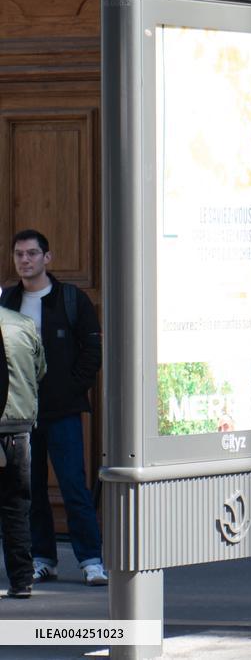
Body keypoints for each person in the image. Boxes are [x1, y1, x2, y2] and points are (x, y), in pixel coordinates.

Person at [0, 230, 107, 586]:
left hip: (62, 412)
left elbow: (92, 352)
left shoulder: (71, 299)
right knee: (29, 490)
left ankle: (91, 560)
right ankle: (43, 558)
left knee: (73, 485)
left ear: (48, 258)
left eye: (32, 254)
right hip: (20, 415)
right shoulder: (8, 301)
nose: (25, 260)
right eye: (19, 254)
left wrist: (71, 387)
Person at [0, 300, 46, 598]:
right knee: (16, 507)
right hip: (17, 427)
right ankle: (21, 581)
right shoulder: (23, 325)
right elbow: (40, 370)